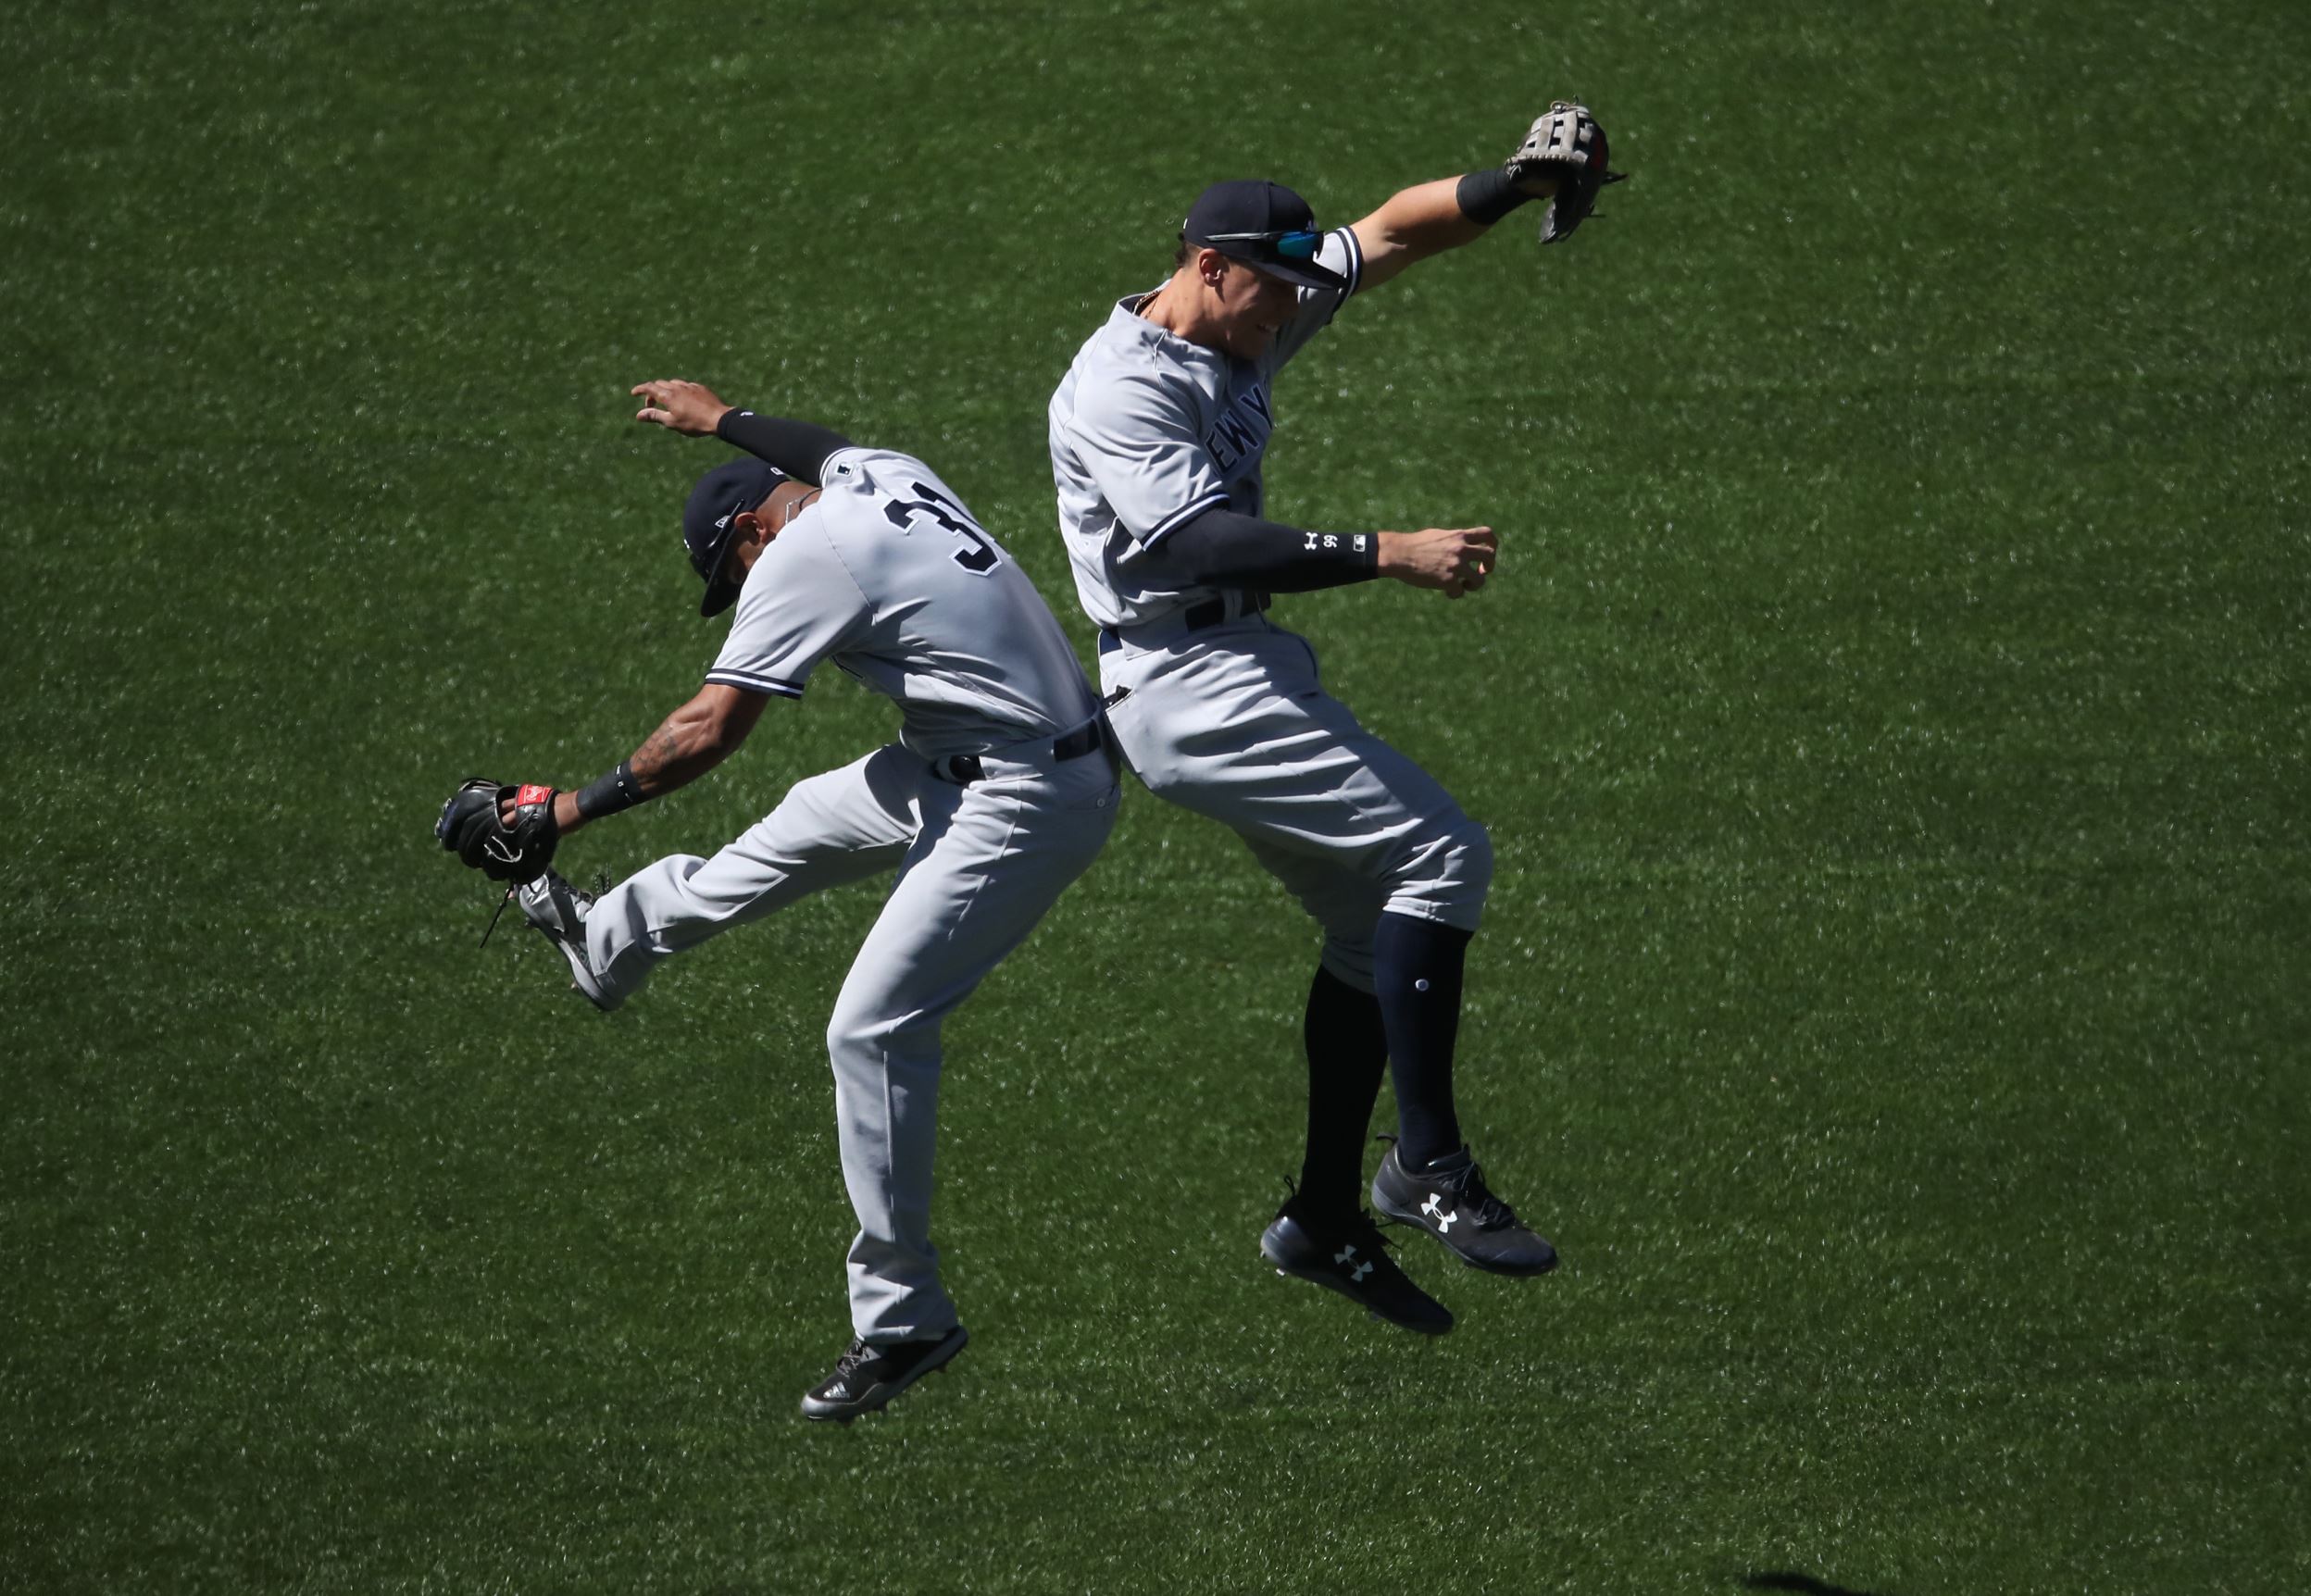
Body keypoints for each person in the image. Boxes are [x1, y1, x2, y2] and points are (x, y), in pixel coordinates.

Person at [1045, 107, 1621, 1334]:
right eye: (1271, 290)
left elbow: (1392, 234)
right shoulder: (1121, 389)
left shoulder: (1250, 301)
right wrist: (1386, 551)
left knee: (1372, 931)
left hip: (1238, 663)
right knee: (1444, 854)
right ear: (1209, 266)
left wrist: (1516, 184)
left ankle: (1321, 1217)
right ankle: (1428, 1171)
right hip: (1186, 686)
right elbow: (1190, 538)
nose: (1288, 311)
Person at [447, 382, 1120, 1419]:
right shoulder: (879, 476)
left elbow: (709, 729)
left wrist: (560, 812)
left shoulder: (807, 556)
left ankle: (905, 1318)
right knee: (802, 819)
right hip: (961, 757)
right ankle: (604, 938)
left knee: (872, 1027)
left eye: (734, 570)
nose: (744, 589)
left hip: (1028, 799)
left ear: (757, 531)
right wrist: (721, 419)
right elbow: (822, 442)